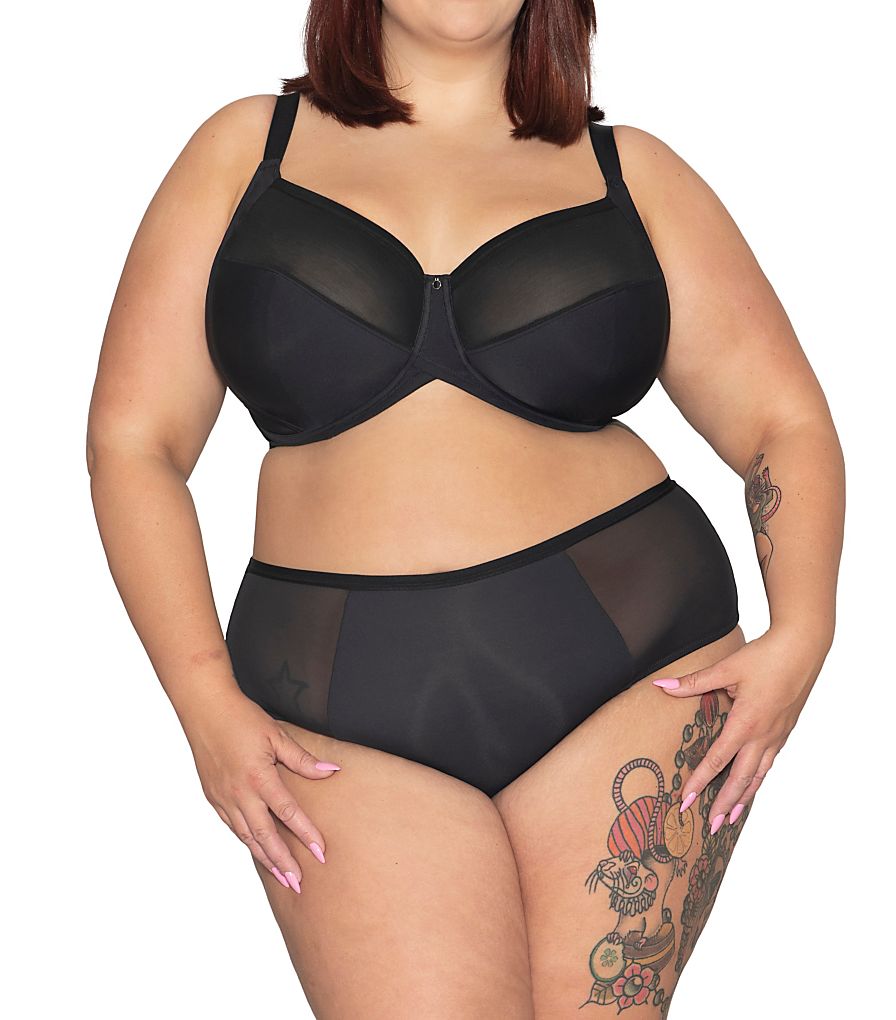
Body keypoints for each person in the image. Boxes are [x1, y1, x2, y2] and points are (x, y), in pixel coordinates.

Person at [86, 1, 844, 1015]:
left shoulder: (631, 172)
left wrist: (805, 628)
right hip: (333, 702)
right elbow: (134, 446)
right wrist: (199, 699)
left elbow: (781, 421)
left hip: (631, 669)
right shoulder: (243, 152)